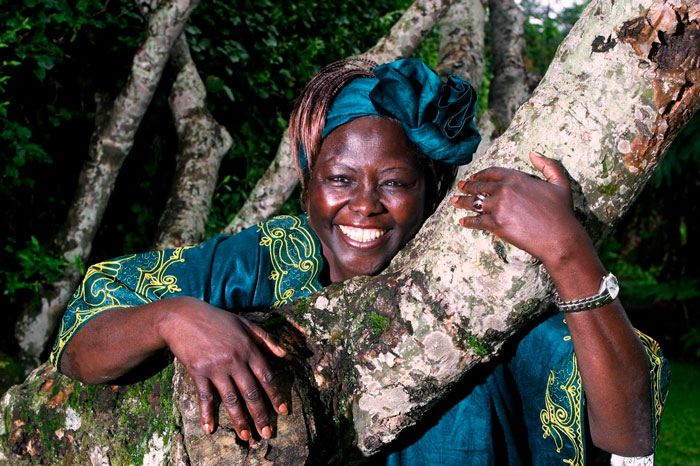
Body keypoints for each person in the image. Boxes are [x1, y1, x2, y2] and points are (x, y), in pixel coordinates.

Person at [50, 58, 668, 464]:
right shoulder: (267, 259)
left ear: (431, 188)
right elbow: (80, 351)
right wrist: (173, 317)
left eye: (395, 182)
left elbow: (628, 436)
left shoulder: (478, 291)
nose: (364, 206)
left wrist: (567, 252)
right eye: (340, 178)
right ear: (308, 182)